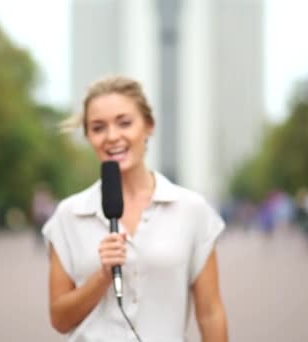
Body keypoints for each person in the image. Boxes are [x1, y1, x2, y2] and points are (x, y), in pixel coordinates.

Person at [43, 76, 228, 341]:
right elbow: (60, 319)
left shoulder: (192, 210)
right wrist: (102, 277)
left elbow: (210, 313)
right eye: (98, 128)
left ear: (148, 126)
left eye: (125, 123)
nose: (112, 137)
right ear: (88, 136)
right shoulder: (68, 215)